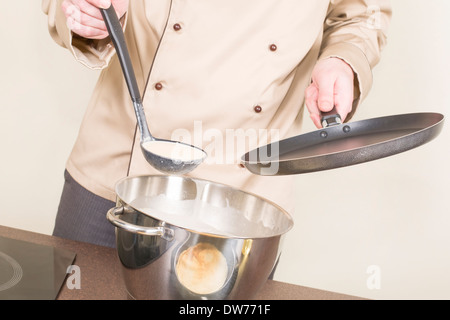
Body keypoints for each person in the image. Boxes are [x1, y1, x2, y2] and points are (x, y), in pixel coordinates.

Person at [42, 0, 391, 248]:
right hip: (113, 171)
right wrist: (85, 13)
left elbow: (362, 16)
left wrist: (343, 60)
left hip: (244, 193)